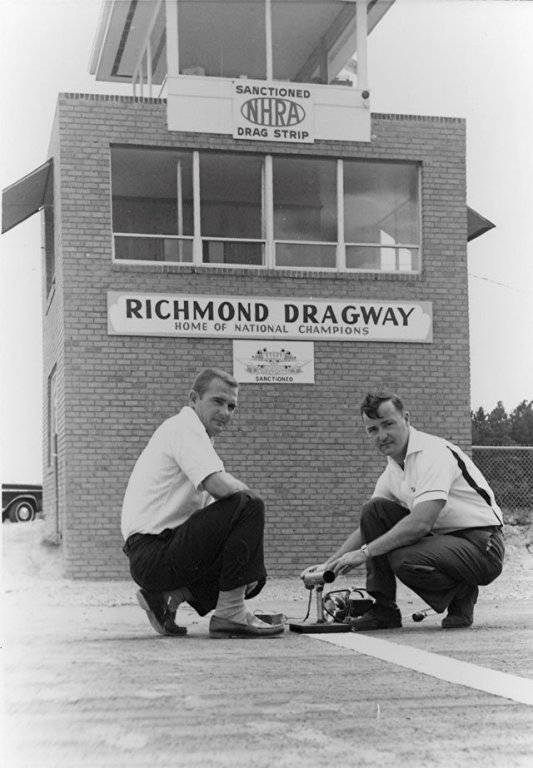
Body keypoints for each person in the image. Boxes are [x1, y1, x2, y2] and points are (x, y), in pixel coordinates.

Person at [301, 391, 505, 631]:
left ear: (406, 419)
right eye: (373, 430)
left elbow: (421, 523)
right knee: (374, 511)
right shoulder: (393, 469)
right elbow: (368, 527)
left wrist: (364, 554)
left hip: (481, 544)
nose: (382, 436)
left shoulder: (432, 453)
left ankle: (461, 593)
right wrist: (329, 565)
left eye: (388, 424)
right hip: (442, 542)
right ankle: (384, 611)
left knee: (404, 559)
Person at [121, 367, 284, 639]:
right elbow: (222, 489)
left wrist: (247, 564)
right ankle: (231, 614)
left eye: (232, 406)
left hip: (156, 554)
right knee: (249, 504)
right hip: (153, 552)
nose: (226, 412)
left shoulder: (198, 439)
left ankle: (168, 597)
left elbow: (216, 517)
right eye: (217, 402)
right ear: (193, 399)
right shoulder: (184, 427)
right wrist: (251, 506)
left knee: (252, 572)